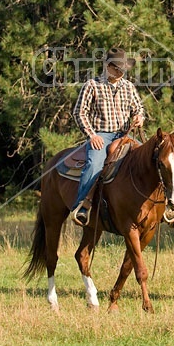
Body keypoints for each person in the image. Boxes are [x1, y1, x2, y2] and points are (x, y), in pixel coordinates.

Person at [70, 47, 145, 226]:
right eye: (117, 68)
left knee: (146, 159)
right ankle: (82, 206)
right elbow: (79, 113)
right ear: (107, 66)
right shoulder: (92, 85)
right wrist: (92, 135)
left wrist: (139, 117)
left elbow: (139, 108)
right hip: (102, 135)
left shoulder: (128, 86)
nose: (120, 73)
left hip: (125, 135)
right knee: (94, 164)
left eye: (122, 69)